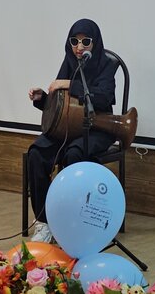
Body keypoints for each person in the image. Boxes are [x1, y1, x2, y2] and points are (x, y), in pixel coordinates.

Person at [27, 18, 117, 243]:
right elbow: (61, 103)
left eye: (86, 42)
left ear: (95, 43)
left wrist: (69, 83)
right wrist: (42, 99)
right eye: (74, 42)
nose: (79, 47)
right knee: (36, 153)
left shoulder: (107, 65)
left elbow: (103, 98)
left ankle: (73, 221)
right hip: (68, 126)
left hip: (98, 127)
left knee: (74, 154)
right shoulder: (69, 61)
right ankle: (45, 222)